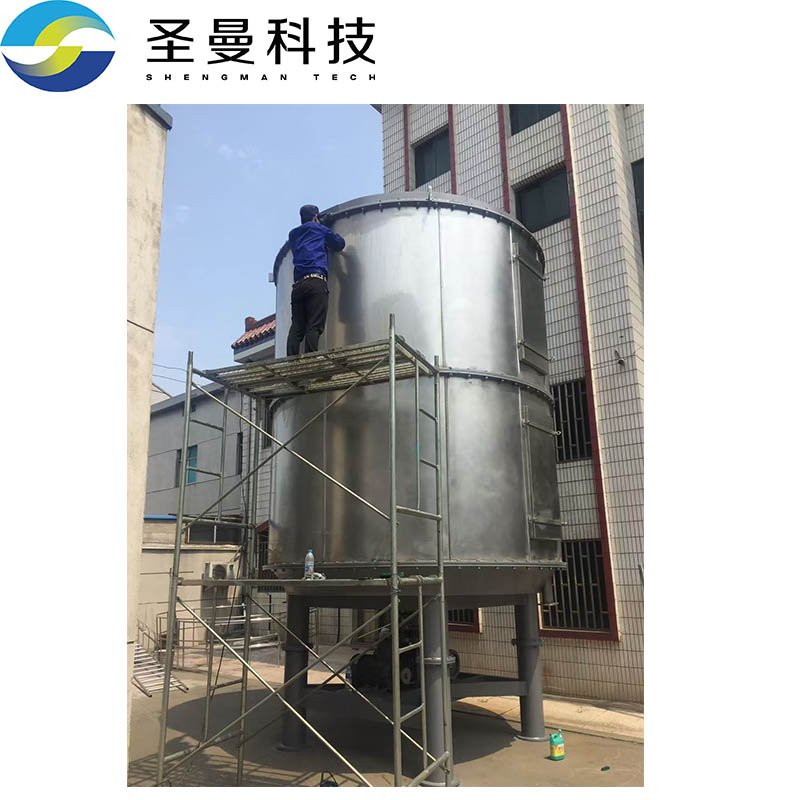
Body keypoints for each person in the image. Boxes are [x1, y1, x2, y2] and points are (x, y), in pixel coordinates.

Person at [286, 204, 345, 356]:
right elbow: (339, 244)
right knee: (314, 325)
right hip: (315, 281)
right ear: (315, 216)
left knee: (297, 327)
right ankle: (310, 359)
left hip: (298, 286)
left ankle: (290, 362)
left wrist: (317, 224)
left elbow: (306, 236)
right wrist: (323, 225)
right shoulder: (319, 229)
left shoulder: (293, 235)